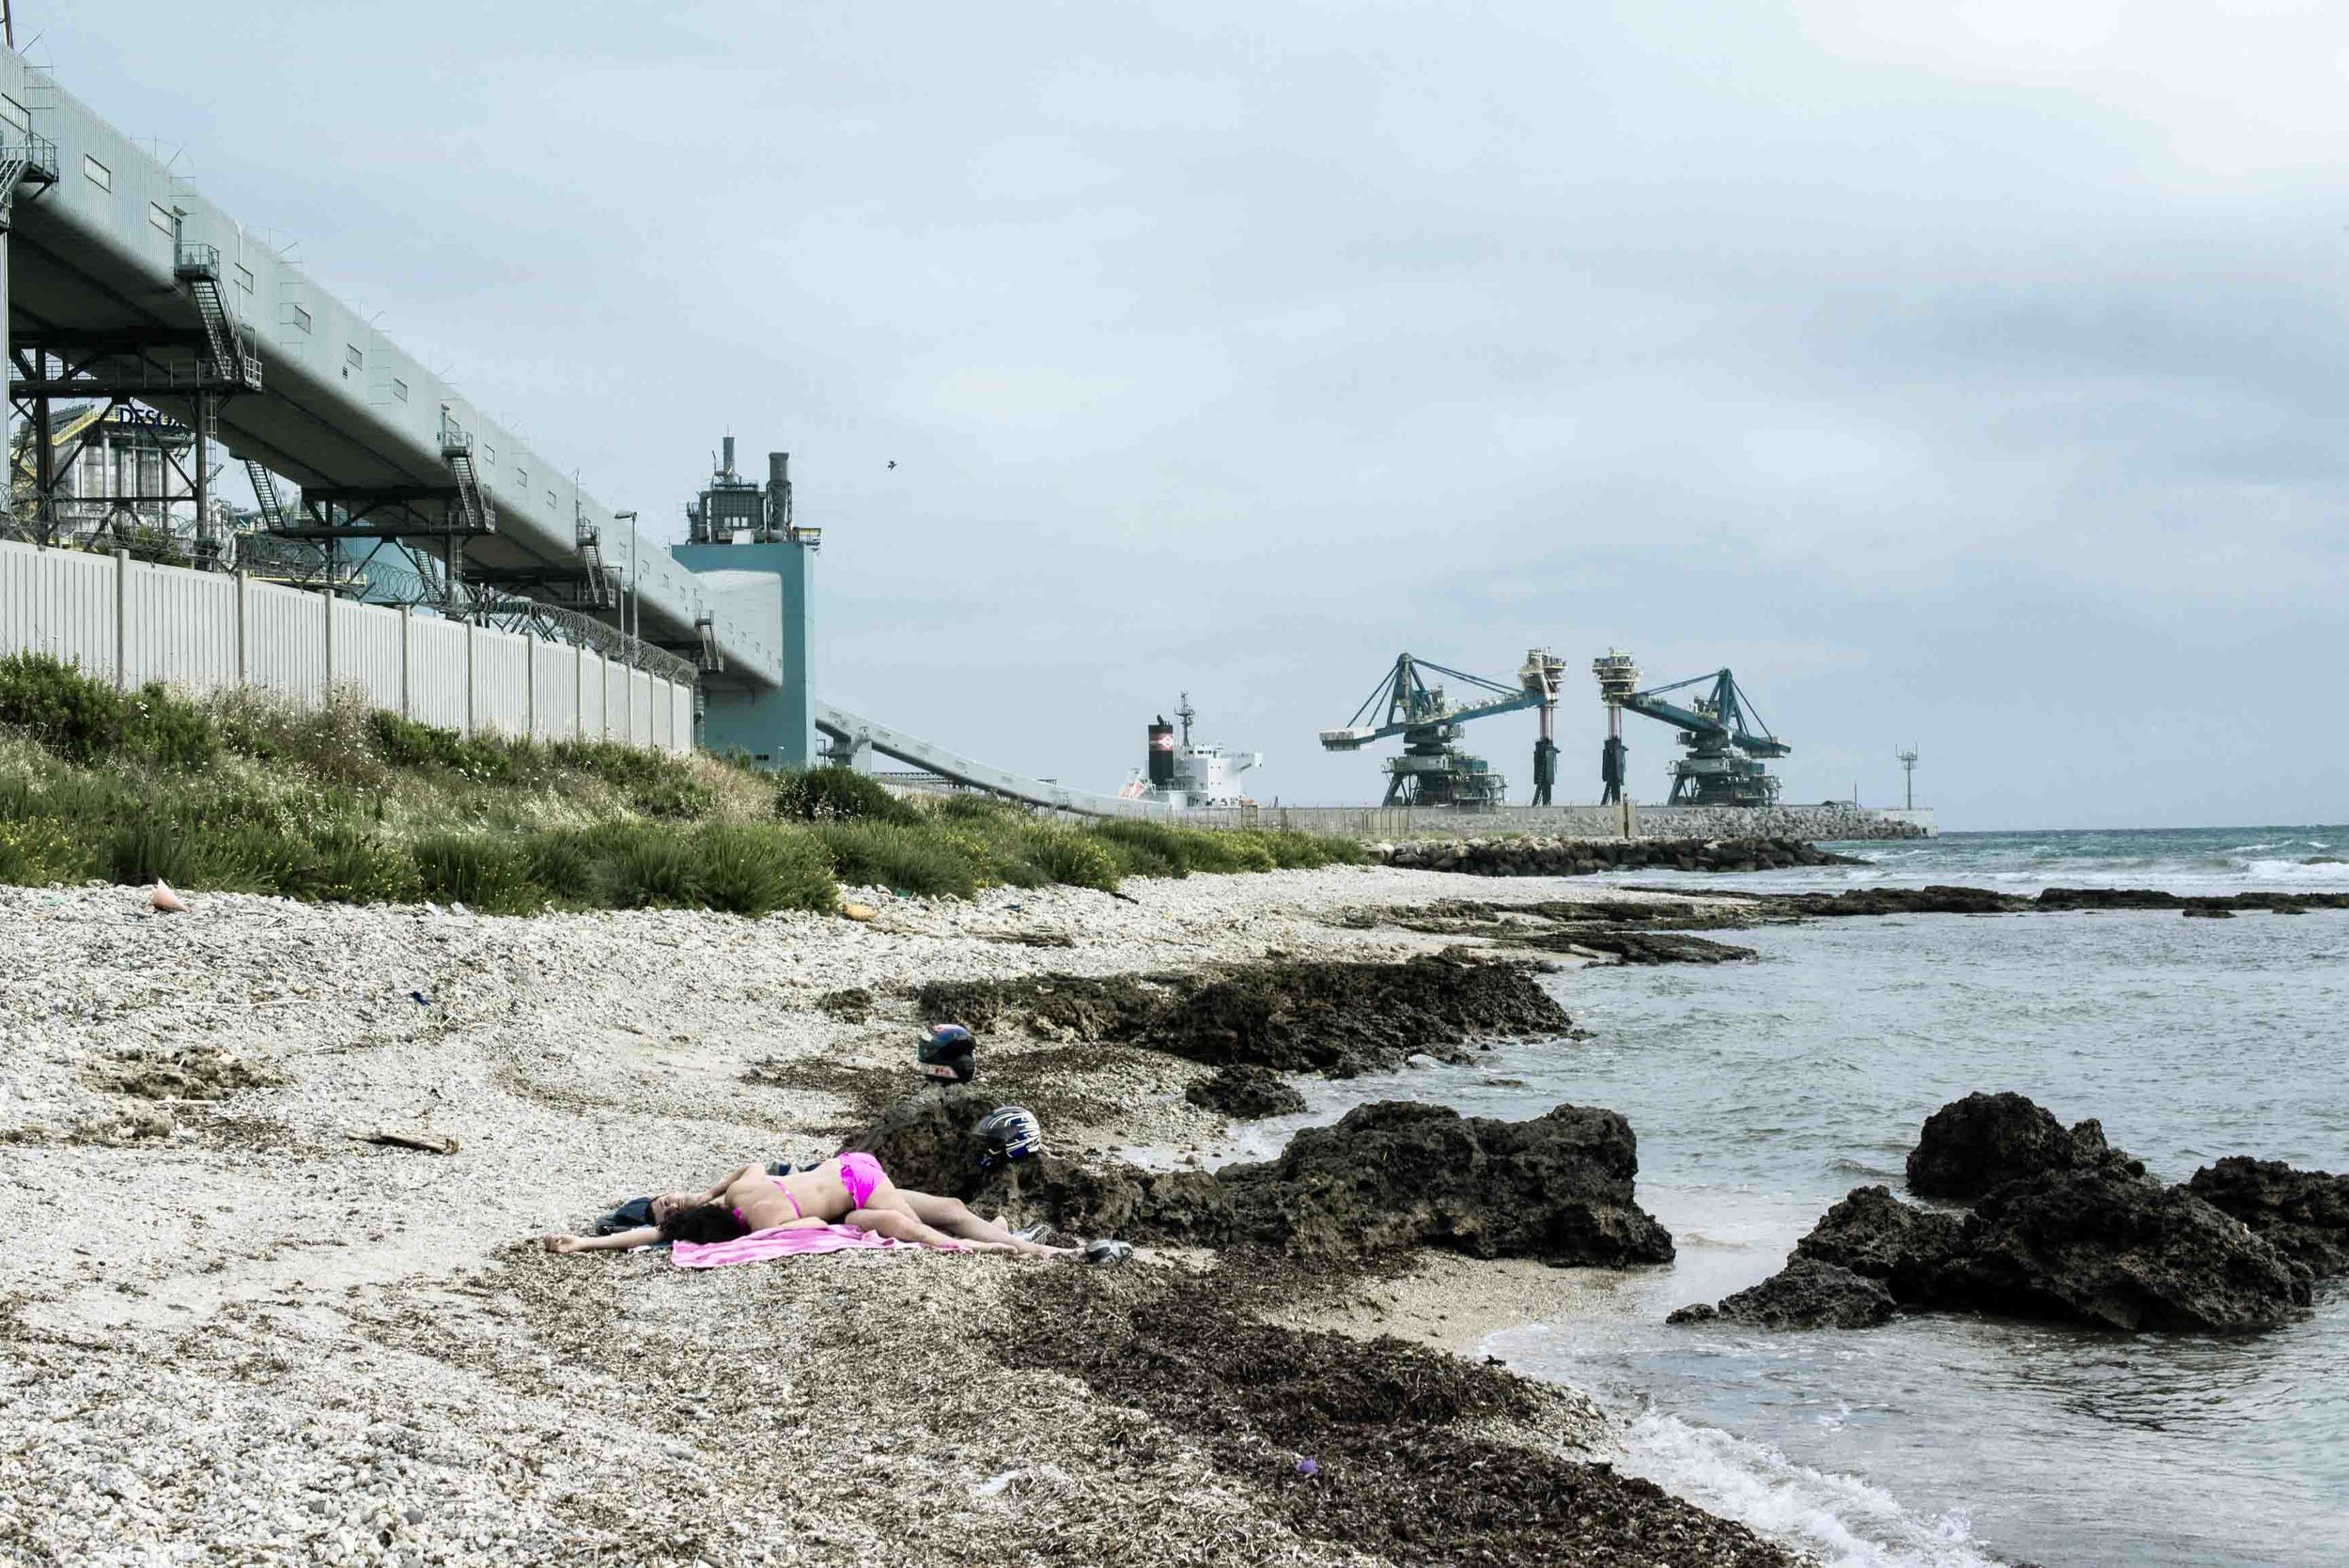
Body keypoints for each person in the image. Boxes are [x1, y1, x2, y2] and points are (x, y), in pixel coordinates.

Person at [539, 1151, 1071, 1259]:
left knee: (926, 1234)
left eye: (664, 1202)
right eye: (664, 1208)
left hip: (857, 1190)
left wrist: (586, 1243)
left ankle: (1015, 1248)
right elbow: (750, 1164)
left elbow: (820, 1224)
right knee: (950, 1207)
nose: (670, 1206)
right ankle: (1001, 1230)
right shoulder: (739, 1194)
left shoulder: (750, 1218)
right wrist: (586, 1240)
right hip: (851, 1167)